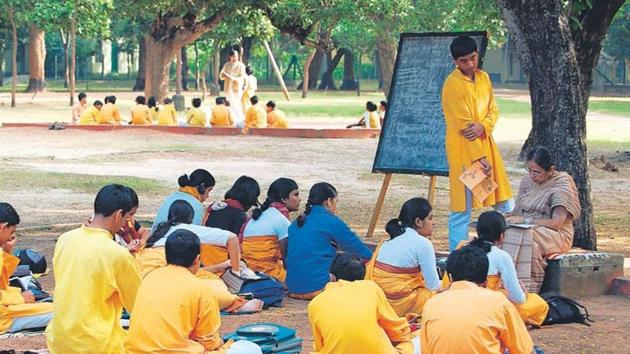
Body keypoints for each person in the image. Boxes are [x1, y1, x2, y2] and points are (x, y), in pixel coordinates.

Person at [125, 230, 260, 354]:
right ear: (197, 259)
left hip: (134, 350)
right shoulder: (201, 289)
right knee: (249, 348)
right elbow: (209, 342)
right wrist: (222, 344)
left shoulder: (149, 279)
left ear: (166, 257)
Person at [45, 184, 142, 353]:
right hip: (97, 345)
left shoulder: (65, 239)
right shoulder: (117, 254)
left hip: (59, 339)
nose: (129, 222)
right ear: (119, 215)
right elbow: (138, 304)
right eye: (130, 216)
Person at [441, 35, 514, 251]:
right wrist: (480, 159)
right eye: (464, 61)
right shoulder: (452, 85)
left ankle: (508, 250)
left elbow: (493, 110)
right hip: (466, 155)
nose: (470, 64)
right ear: (455, 61)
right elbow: (465, 127)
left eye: (473, 58)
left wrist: (484, 125)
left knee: (503, 201)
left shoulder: (484, 78)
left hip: (487, 149)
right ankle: (458, 256)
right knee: (462, 210)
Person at [137, 200, 262, 315]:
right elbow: (232, 238)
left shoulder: (159, 232)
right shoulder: (186, 230)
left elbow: (187, 272)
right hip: (162, 279)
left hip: (141, 279)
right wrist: (236, 272)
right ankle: (235, 304)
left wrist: (221, 266)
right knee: (209, 286)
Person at [420, 245, 534, 354]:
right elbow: (524, 350)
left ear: (450, 278)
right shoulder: (498, 301)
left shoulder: (432, 303)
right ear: (485, 281)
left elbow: (426, 349)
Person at [504, 146, 581, 292]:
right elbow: (517, 212)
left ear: (550, 170)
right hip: (526, 229)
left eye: (537, 172)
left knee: (523, 235)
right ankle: (507, 285)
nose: (532, 175)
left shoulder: (562, 184)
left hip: (555, 234)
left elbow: (557, 223)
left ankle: (527, 288)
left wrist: (526, 222)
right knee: (504, 232)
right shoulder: (527, 181)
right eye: (529, 170)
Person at [308, 253, 418, 354]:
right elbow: (394, 327)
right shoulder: (370, 288)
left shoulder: (315, 303)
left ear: (332, 277)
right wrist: (404, 338)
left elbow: (319, 345)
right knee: (410, 343)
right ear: (363, 276)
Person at [286, 183, 373, 300]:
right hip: (316, 288)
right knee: (352, 264)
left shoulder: (298, 221)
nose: (336, 207)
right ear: (328, 201)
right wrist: (378, 262)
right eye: (336, 202)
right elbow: (357, 248)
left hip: (293, 288)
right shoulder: (331, 222)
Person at [466, 211, 549, 325]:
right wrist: (523, 292)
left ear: (477, 231)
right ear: (501, 236)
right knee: (539, 303)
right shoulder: (501, 256)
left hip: (462, 302)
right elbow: (518, 298)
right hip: (488, 306)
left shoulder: (462, 249)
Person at [365, 198, 441, 316]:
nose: (434, 222)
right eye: (430, 218)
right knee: (440, 299)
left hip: (378, 300)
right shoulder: (423, 243)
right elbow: (434, 286)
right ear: (418, 222)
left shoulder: (388, 240)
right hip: (398, 302)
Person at [0, 203, 53, 334]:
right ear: (2, 227)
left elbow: (3, 284)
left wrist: (7, 251)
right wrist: (21, 298)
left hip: (6, 309)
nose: (10, 237)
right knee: (65, 313)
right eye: (11, 232)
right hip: (4, 318)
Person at [241, 177, 300, 282]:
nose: (299, 199)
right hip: (268, 273)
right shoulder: (281, 219)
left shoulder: (258, 216)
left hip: (247, 271)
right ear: (284, 199)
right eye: (296, 194)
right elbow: (287, 257)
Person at [202, 176, 260, 266]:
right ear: (250, 199)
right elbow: (235, 246)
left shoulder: (216, 207)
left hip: (202, 257)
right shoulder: (239, 215)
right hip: (219, 261)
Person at [114, 187, 149, 255]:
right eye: (131, 214)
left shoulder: (130, 221)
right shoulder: (110, 230)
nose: (130, 217)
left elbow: (145, 232)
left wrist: (140, 242)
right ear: (119, 214)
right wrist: (127, 249)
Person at [220, 48, 246, 126]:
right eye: (233, 56)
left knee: (236, 104)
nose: (235, 58)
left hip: (236, 89)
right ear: (230, 57)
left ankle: (239, 120)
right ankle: (230, 120)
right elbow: (221, 76)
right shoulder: (226, 65)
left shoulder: (241, 65)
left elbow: (242, 77)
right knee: (229, 104)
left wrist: (232, 77)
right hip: (228, 88)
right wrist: (225, 76)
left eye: (236, 56)